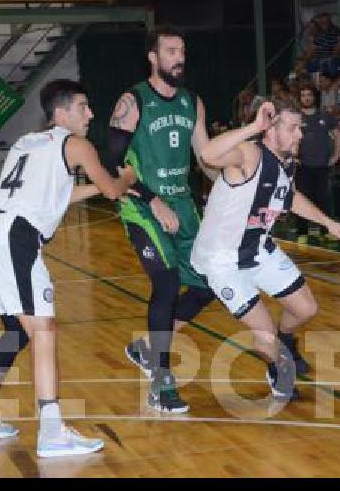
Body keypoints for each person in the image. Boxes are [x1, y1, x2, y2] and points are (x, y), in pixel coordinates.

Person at [0, 79, 135, 456]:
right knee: (44, 330)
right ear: (62, 112)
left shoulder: (28, 142)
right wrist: (127, 178)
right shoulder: (76, 144)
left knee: (17, 331)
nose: (90, 114)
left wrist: (98, 187)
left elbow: (56, 196)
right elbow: (111, 190)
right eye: (83, 106)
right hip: (15, 238)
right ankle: (52, 431)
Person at [193, 99, 340, 399]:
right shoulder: (250, 153)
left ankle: (286, 341)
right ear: (270, 130)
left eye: (300, 128)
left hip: (257, 248)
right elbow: (208, 154)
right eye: (292, 128)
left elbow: (288, 196)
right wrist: (253, 126)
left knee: (306, 308)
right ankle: (277, 366)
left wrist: (327, 222)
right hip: (223, 258)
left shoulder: (286, 162)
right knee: (264, 338)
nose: (299, 135)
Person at [107, 25, 216, 413]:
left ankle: (147, 349)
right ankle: (162, 382)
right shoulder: (133, 100)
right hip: (142, 205)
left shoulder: (192, 102)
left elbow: (205, 158)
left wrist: (234, 184)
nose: (179, 57)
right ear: (153, 58)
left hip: (184, 206)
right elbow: (113, 162)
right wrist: (152, 200)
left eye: (182, 50)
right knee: (167, 284)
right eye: (171, 51)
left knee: (208, 286)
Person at [296, 84, 340, 243]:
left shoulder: (325, 115)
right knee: (302, 198)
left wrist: (336, 155)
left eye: (309, 94)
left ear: (314, 97)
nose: (306, 98)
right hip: (303, 166)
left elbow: (337, 134)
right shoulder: (296, 117)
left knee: (324, 199)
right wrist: (292, 156)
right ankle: (302, 232)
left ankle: (326, 230)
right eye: (303, 95)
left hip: (323, 166)